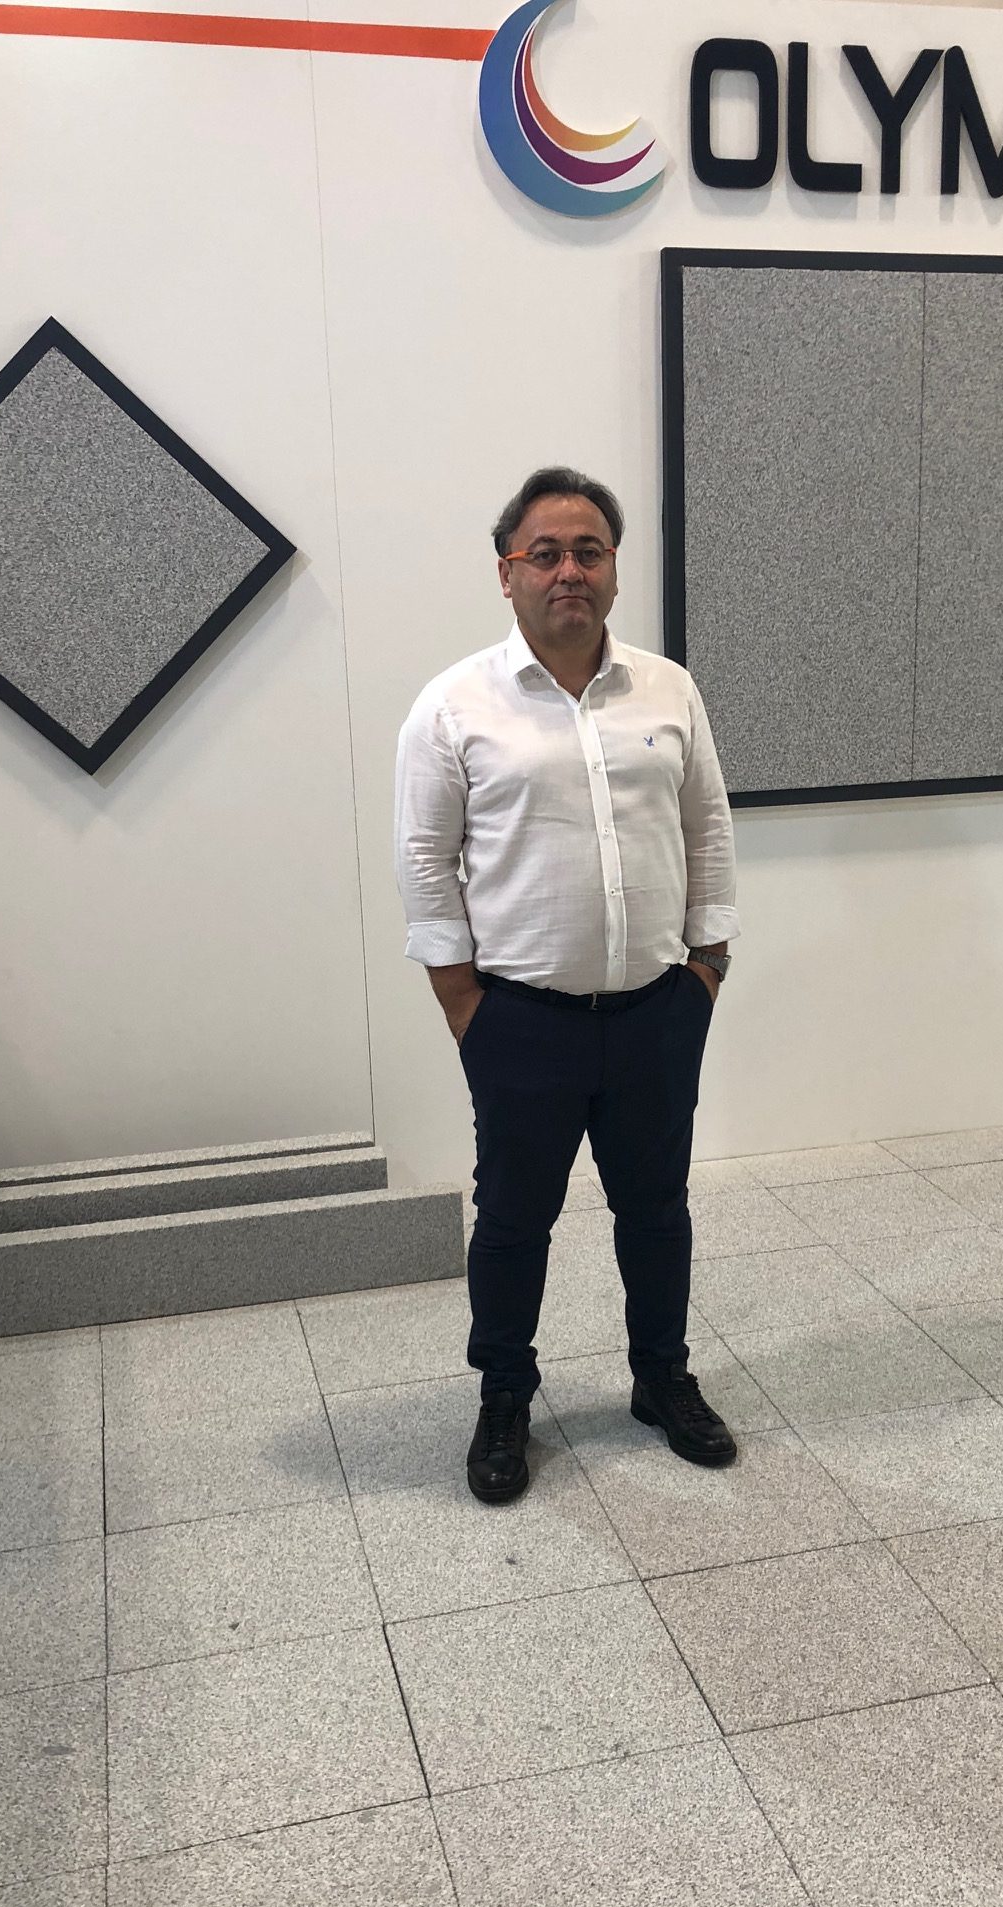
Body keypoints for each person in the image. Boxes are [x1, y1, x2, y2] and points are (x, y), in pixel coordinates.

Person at [394, 466, 740, 1504]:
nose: (569, 571)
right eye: (543, 553)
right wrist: (465, 1005)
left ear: (614, 570)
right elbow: (425, 860)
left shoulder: (668, 690)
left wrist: (707, 968)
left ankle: (662, 1378)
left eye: (589, 551)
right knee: (512, 1220)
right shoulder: (455, 705)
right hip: (521, 1021)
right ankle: (505, 1394)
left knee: (657, 1210)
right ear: (507, 574)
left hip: (656, 1013)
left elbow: (708, 830)